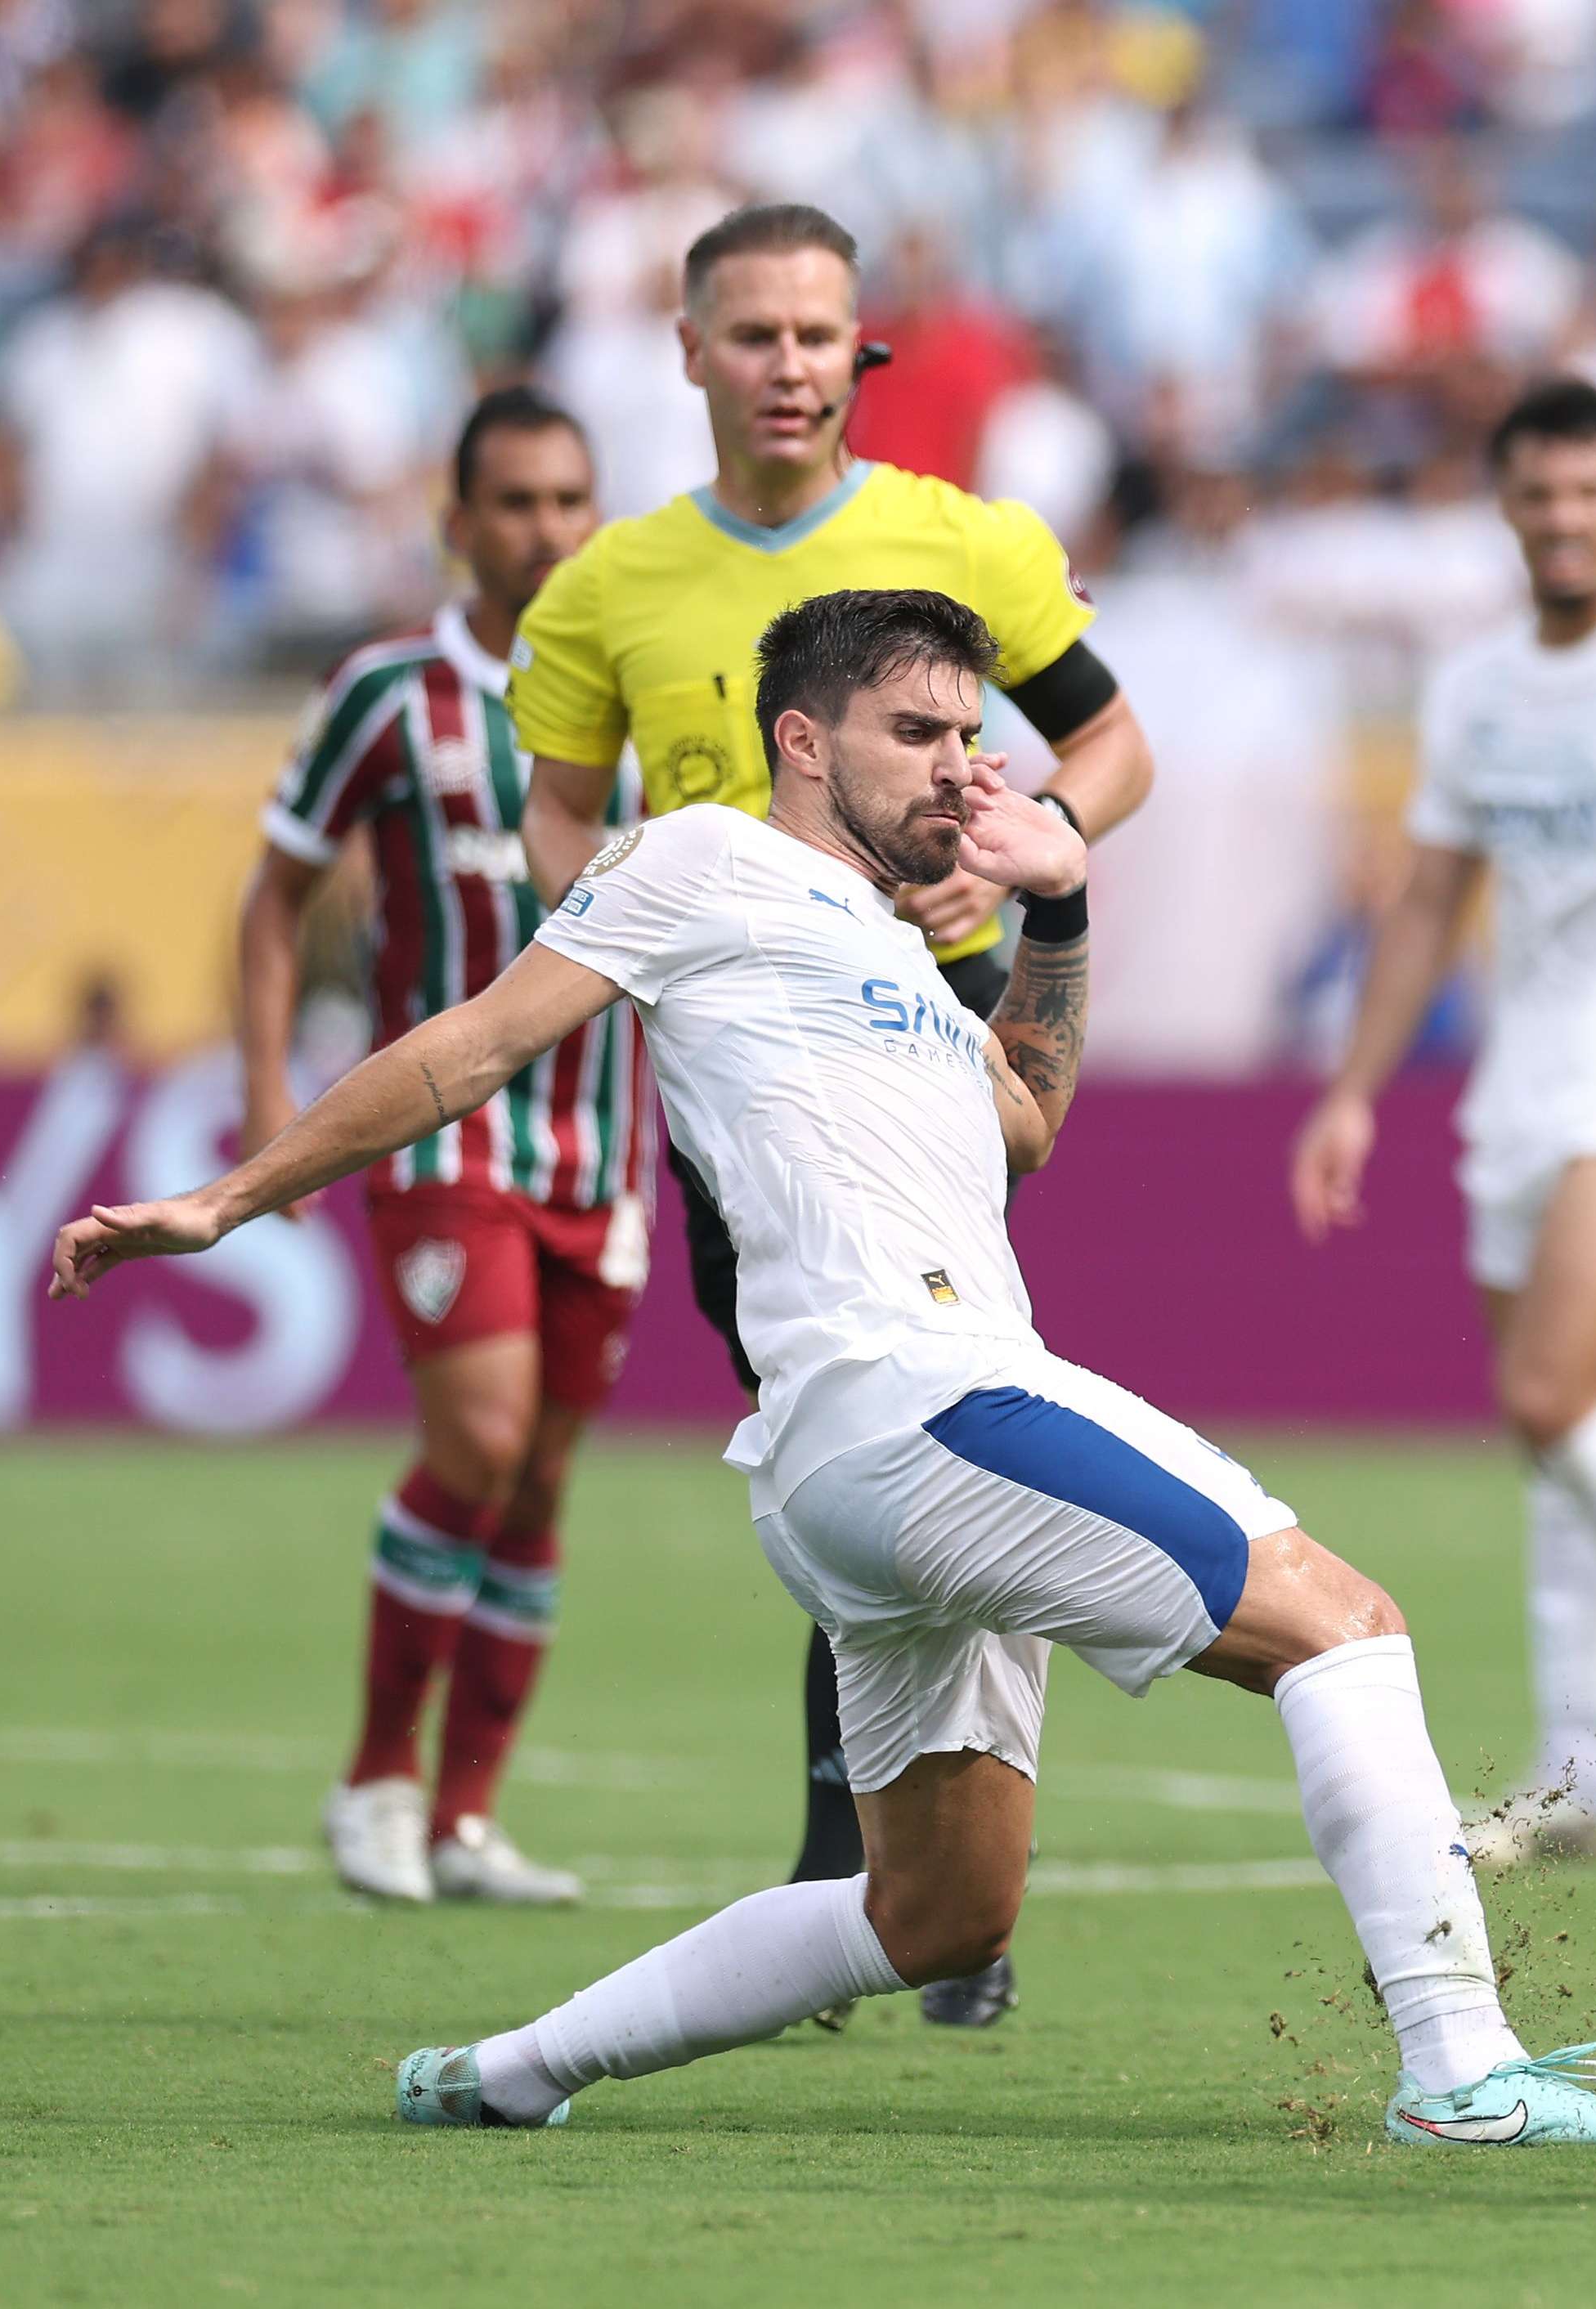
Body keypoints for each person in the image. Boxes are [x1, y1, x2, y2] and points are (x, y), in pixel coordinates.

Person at [56, 588, 1596, 2150]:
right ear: (805, 741)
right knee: (1346, 1622)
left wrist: (1059, 900)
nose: (963, 763)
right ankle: (1464, 2065)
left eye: (975, 733)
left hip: (858, 1454)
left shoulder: (901, 940)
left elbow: (1027, 1116)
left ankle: (507, 2068)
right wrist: (229, 1191)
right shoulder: (705, 860)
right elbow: (468, 1044)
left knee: (940, 1906)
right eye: (917, 729)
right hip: (917, 1392)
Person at [509, 201, 1164, 2031]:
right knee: (851, 1415)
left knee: (925, 1403)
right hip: (746, 1078)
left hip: (940, 1033)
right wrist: (634, 918)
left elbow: (1115, 743)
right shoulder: (607, 591)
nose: (791, 365)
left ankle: (882, 1881)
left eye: (820, 335)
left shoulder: (963, 543)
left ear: (860, 351)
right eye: (756, 335)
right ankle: (909, 1881)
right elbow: (561, 816)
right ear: (691, 352)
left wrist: (1025, 854)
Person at [1289, 378, 1596, 1868]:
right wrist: (1355, 1093)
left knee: (1554, 1395)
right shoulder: (1477, 682)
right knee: (1568, 1441)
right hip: (1518, 1081)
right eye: (1538, 496)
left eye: (1590, 493)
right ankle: (1581, 1773)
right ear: (1506, 511)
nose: (1565, 519)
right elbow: (1436, 895)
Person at [245, 386, 640, 1909]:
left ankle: (467, 1820)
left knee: (537, 1480)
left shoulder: (638, 696)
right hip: (439, 1140)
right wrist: (271, 1090)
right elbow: (274, 895)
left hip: (598, 1159)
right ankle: (373, 1784)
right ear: (457, 523)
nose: (546, 531)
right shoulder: (391, 695)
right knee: (476, 1440)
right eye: (518, 503)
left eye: (569, 501)